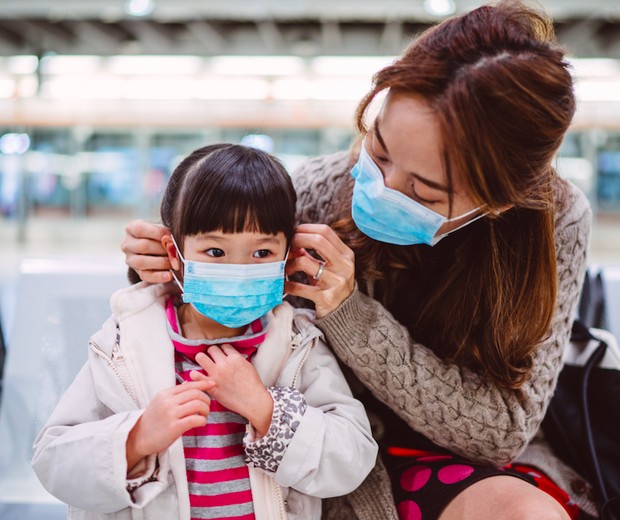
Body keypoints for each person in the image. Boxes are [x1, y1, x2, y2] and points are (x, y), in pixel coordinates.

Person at [121, 2, 595, 519]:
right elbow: (211, 309)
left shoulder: (555, 223)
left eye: (425, 191)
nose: (381, 187)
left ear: (498, 201)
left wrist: (349, 313)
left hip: (458, 461)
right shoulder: (315, 191)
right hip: (315, 440)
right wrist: (166, 270)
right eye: (380, 149)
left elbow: (500, 430)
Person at [32, 143, 378, 520]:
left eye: (261, 253)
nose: (239, 268)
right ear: (174, 252)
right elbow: (54, 460)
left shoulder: (298, 343)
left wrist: (267, 410)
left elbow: (352, 457)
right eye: (215, 252)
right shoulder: (124, 343)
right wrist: (136, 438)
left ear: (287, 255)